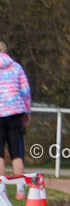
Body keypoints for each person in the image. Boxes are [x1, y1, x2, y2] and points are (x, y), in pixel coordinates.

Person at [0, 41, 32, 197]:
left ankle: (2, 190)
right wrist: (27, 111)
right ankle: (20, 189)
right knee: (16, 152)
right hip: (15, 112)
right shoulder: (16, 67)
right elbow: (25, 91)